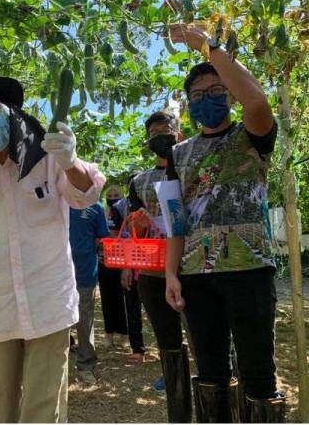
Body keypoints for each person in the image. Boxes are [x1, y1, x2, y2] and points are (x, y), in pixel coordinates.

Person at [0, 71, 105, 423]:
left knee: (44, 409)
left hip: (48, 300)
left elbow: (85, 194)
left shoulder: (46, 155)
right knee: (6, 408)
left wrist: (70, 161)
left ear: (9, 112)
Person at [164, 24, 285, 422]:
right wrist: (171, 274)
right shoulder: (178, 154)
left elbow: (257, 100)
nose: (206, 100)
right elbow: (176, 221)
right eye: (197, 96)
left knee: (258, 375)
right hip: (196, 274)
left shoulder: (251, 134)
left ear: (230, 95)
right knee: (211, 372)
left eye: (216, 91)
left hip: (248, 269)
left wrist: (206, 45)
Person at [124, 110, 192, 422]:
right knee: (166, 333)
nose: (159, 136)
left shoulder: (194, 170)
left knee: (204, 327)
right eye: (153, 133)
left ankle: (212, 373)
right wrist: (138, 224)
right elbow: (134, 227)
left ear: (179, 132)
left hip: (194, 267)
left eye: (165, 129)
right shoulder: (138, 181)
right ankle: (173, 378)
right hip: (153, 270)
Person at [69, 202, 110, 384]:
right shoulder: (57, 200)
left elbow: (101, 238)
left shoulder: (96, 207)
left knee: (84, 320)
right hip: (55, 275)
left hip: (85, 272)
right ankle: (54, 368)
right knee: (55, 321)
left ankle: (86, 365)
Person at [110, 193, 147, 365]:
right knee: (132, 309)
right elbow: (119, 238)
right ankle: (137, 349)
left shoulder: (155, 207)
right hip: (134, 267)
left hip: (155, 266)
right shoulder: (120, 209)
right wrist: (126, 266)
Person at [97, 185, 129, 349]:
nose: (112, 197)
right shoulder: (101, 212)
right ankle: (108, 335)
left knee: (121, 299)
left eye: (116, 194)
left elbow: (126, 235)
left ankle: (125, 335)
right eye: (109, 194)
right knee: (106, 299)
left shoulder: (124, 212)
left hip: (122, 261)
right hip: (104, 260)